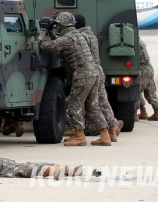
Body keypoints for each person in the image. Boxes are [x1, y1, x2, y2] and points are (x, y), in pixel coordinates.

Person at [39, 12, 109, 146]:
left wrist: (43, 32)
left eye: (58, 24)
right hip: (93, 72)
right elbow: (58, 43)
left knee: (73, 105)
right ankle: (105, 135)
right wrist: (51, 32)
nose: (57, 27)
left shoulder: (67, 39)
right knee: (93, 106)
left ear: (63, 25)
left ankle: (80, 136)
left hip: (82, 73)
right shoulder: (78, 35)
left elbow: (44, 46)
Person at [73, 15, 121, 142]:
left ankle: (77, 129)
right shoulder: (91, 35)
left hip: (89, 71)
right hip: (98, 70)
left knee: (88, 104)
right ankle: (112, 130)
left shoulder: (81, 37)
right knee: (102, 102)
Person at [137, 38, 158, 121]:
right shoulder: (139, 40)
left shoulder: (133, 41)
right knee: (150, 91)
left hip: (142, 68)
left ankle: (134, 114)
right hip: (148, 67)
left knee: (135, 90)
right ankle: (156, 112)